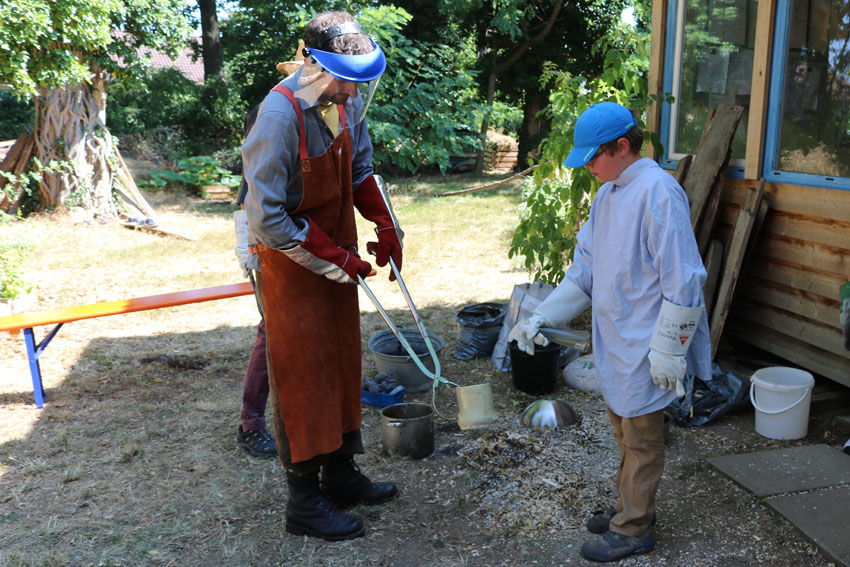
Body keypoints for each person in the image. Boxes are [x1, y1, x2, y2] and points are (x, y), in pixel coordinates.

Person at [509, 101, 711, 562]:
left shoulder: (660, 192)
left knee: (641, 440)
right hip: (618, 339)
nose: (589, 168)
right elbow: (585, 274)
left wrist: (671, 348)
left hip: (648, 342)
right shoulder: (608, 195)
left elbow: (684, 277)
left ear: (622, 146)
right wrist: (542, 316)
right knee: (623, 430)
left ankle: (634, 527)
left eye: (593, 158)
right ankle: (629, 505)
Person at [241, 11, 401, 541]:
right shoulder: (279, 115)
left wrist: (385, 224)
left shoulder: (346, 101)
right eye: (343, 79)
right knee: (303, 372)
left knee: (341, 360)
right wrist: (331, 256)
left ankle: (340, 472)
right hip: (291, 262)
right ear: (310, 64)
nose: (353, 92)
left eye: (359, 81)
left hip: (338, 257)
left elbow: (360, 172)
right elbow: (268, 216)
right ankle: (304, 499)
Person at [234, 104, 277, 459]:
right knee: (272, 333)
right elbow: (249, 219)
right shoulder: (256, 167)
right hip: (267, 261)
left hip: (285, 256)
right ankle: (251, 424)